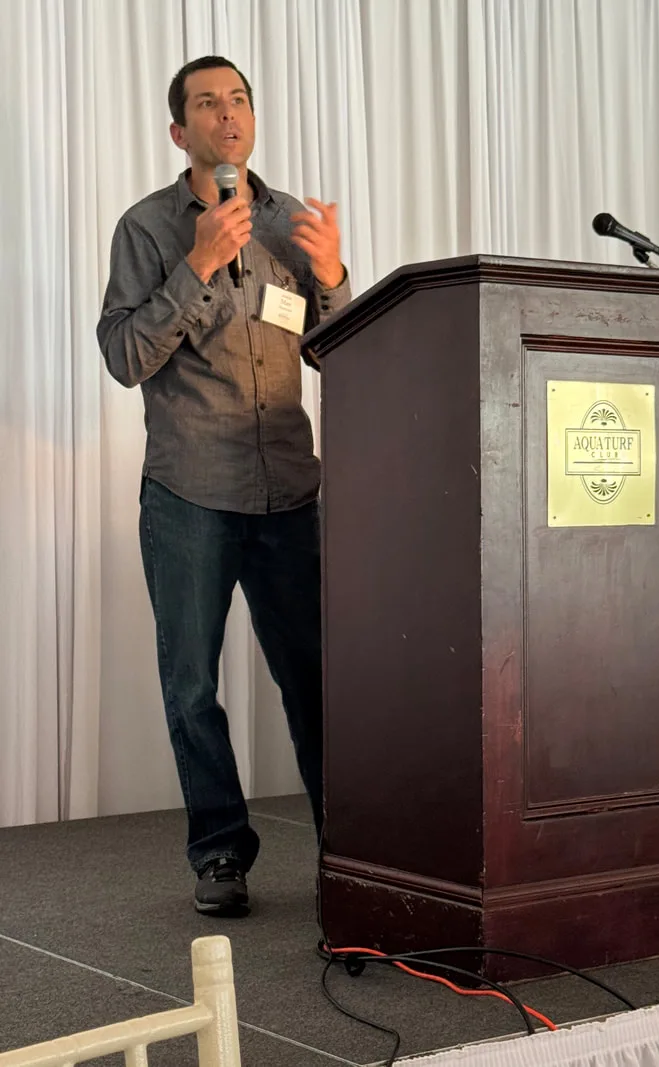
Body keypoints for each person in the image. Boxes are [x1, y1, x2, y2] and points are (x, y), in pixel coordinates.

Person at [97, 55, 351, 916]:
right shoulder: (146, 229)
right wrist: (199, 265)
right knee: (192, 687)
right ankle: (219, 853)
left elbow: (341, 352)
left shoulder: (290, 224)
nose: (228, 114)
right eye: (207, 104)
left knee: (317, 680)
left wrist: (335, 280)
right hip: (190, 492)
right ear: (181, 131)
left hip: (289, 491)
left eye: (238, 99)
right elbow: (125, 356)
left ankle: (349, 848)